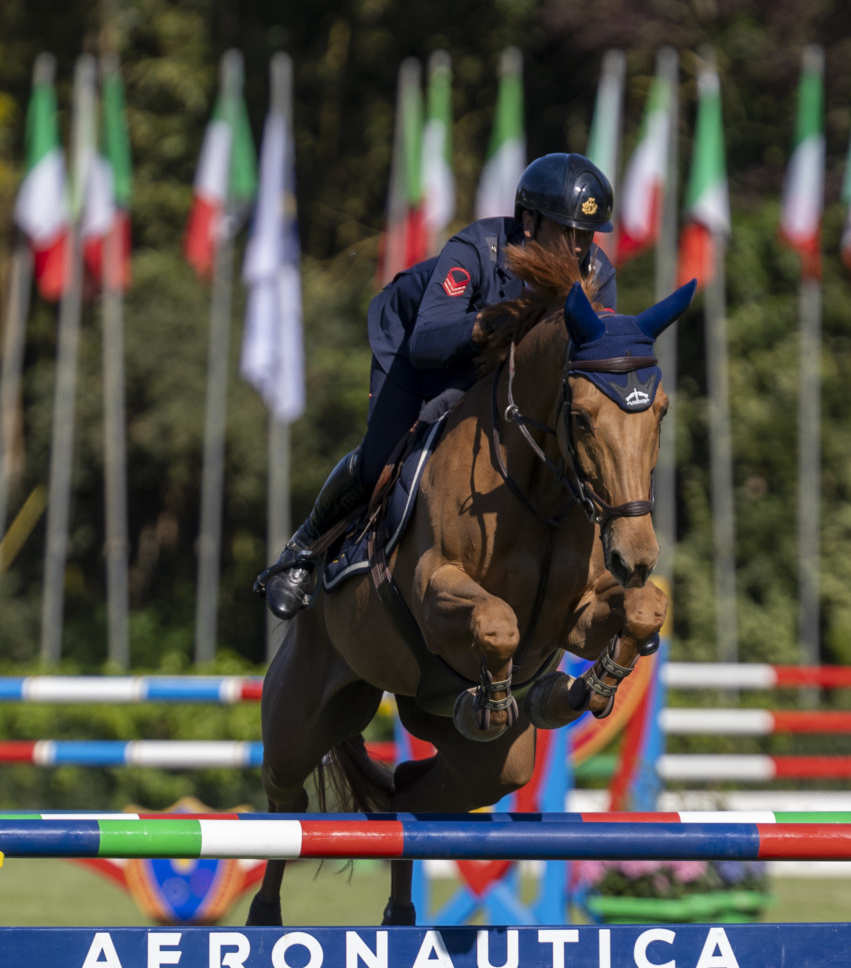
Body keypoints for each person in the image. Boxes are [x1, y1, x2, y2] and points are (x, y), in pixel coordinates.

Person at [256, 153, 619, 619]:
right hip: (417, 349)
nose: (577, 248)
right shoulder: (476, 249)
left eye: (586, 234)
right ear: (528, 220)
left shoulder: (597, 272)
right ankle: (303, 549)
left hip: (505, 375)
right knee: (383, 457)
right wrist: (499, 322)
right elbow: (428, 341)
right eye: (566, 231)